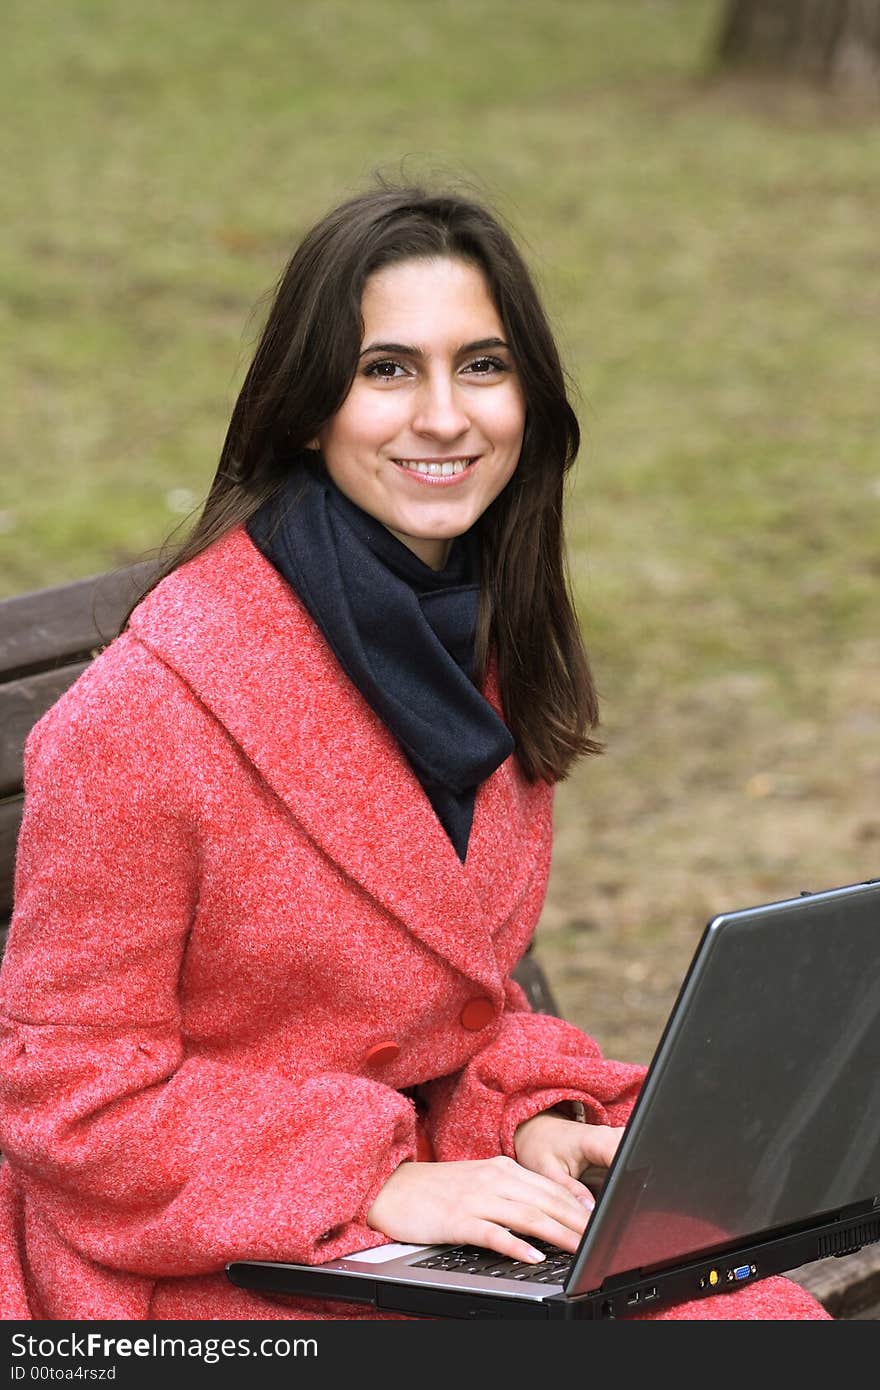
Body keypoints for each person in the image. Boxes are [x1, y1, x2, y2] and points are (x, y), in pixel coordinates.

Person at [0, 183, 827, 1321]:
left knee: (752, 1311)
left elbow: (448, 1012)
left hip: (400, 1230)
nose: (444, 416)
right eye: (387, 369)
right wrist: (380, 1178)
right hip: (194, 1263)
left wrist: (528, 1115)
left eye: (481, 365)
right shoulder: (143, 720)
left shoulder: (479, 644)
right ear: (304, 409)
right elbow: (69, 1099)